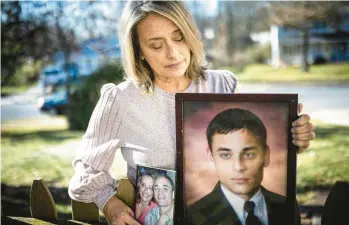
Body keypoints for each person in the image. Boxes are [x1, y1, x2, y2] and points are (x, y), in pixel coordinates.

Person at [68, 1, 315, 225]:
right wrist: (111, 206)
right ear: (139, 50)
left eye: (179, 38)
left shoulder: (223, 85)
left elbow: (251, 144)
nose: (173, 53)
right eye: (156, 45)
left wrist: (294, 139)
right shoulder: (120, 100)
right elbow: (87, 171)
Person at [187, 108, 300, 225]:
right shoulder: (192, 218)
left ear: (266, 155)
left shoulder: (288, 206)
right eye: (225, 155)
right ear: (211, 157)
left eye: (249, 154)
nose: (239, 167)